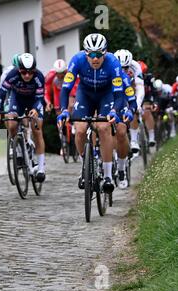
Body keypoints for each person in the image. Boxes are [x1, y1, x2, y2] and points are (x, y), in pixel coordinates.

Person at [57, 33, 125, 193]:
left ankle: (108, 176)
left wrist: (115, 110)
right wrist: (64, 110)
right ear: (86, 53)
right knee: (80, 130)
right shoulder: (77, 60)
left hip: (106, 95)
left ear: (105, 53)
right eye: (92, 55)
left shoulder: (113, 63)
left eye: (99, 54)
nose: (95, 59)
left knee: (103, 128)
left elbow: (119, 93)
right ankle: (85, 165)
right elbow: (65, 89)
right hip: (85, 94)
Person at [0, 52, 47, 183]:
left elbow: (40, 99)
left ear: (34, 70)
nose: (27, 75)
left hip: (34, 101)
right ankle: (19, 152)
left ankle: (40, 167)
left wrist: (35, 110)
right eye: (23, 72)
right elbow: (1, 94)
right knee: (11, 124)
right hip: (18, 100)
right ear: (18, 70)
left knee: (37, 130)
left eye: (30, 72)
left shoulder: (39, 76)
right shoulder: (12, 75)